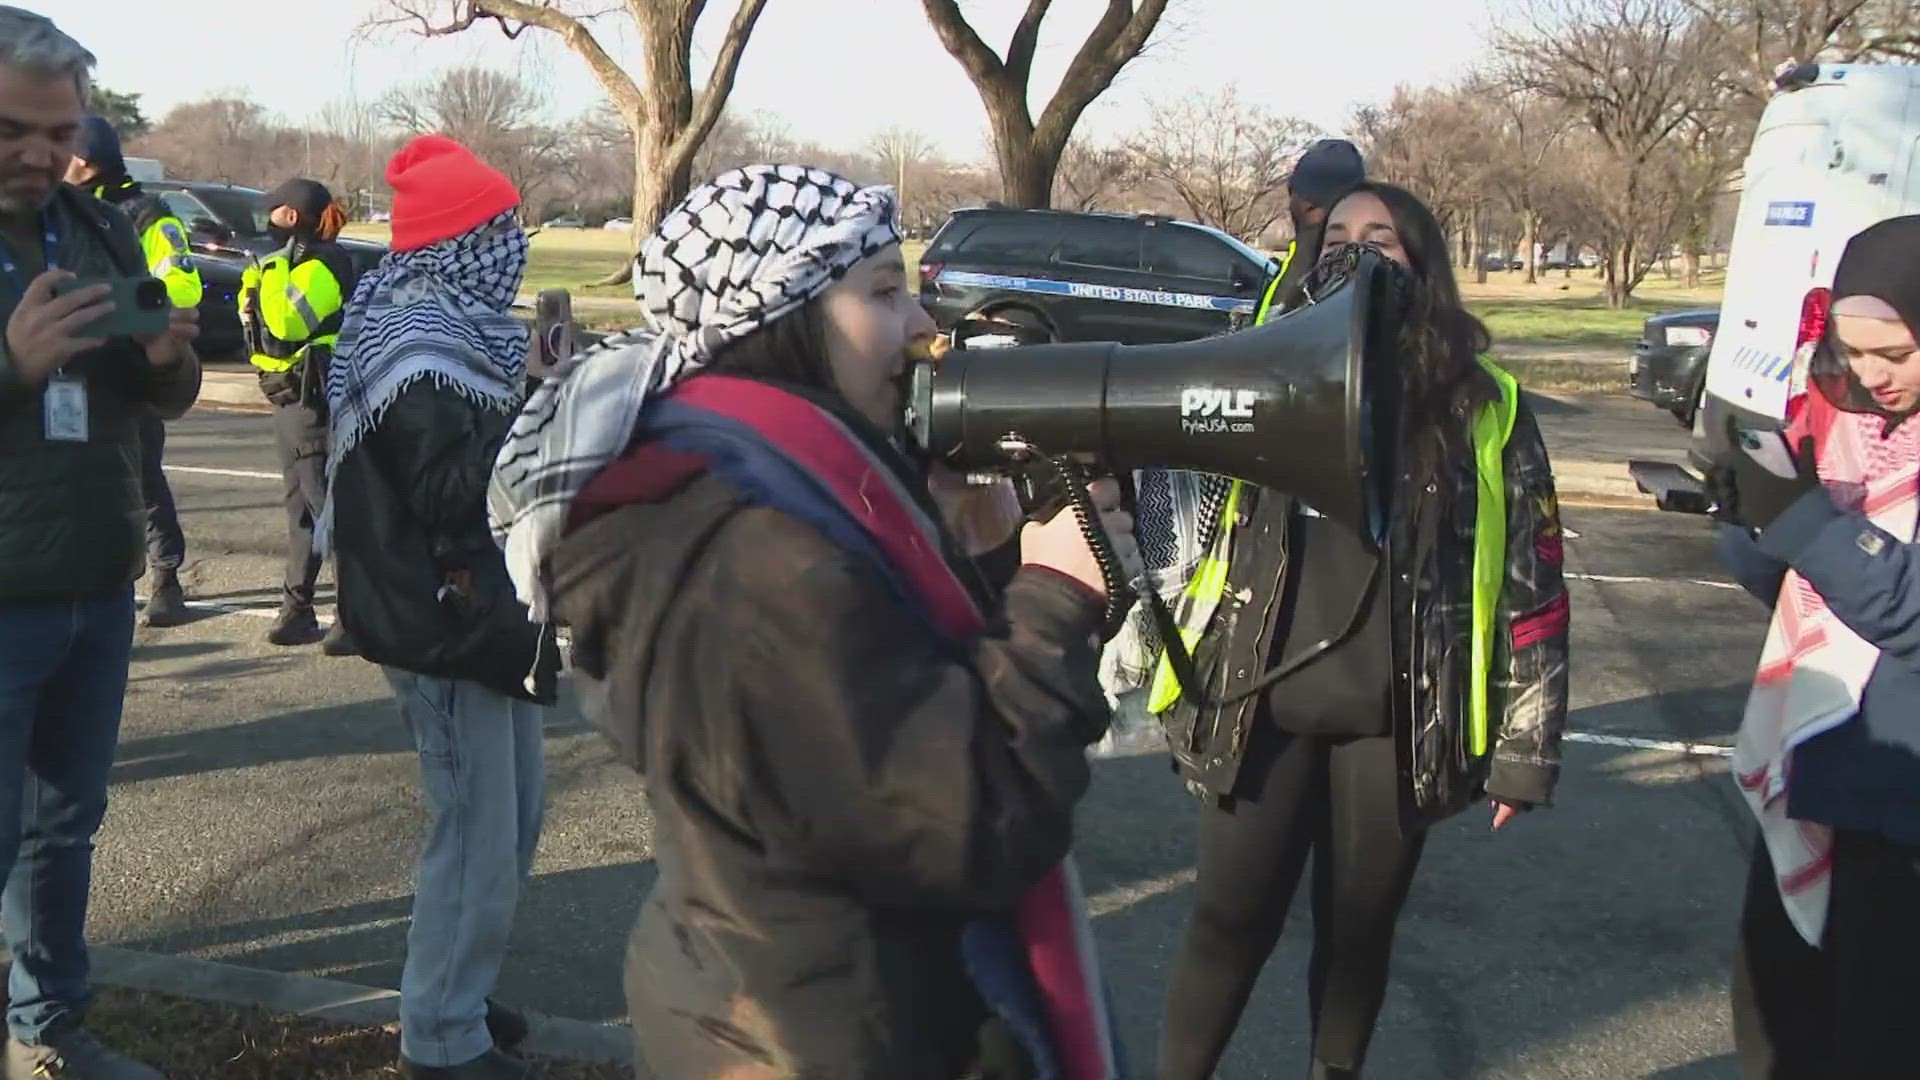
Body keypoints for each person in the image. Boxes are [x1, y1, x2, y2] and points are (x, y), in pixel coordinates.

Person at [487, 164, 1140, 1080]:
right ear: (777, 323)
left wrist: (987, 559)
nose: (922, 326)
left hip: (808, 1006)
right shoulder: (747, 559)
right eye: (881, 292)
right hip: (813, 1039)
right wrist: (1057, 596)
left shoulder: (784, 486)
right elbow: (964, 820)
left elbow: (910, 711)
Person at [1151, 181, 1570, 1080]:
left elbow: (1534, 582)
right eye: (1336, 233)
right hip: (1257, 705)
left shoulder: (1483, 404)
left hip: (1397, 721)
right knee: (1228, 924)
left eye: (1382, 236)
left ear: (1425, 261)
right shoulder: (1258, 368)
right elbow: (1176, 511)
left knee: (1356, 938)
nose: (1355, 248)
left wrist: (1524, 749)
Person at [316, 133, 555, 1080]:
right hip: (438, 617)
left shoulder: (460, 325)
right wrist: (533, 398)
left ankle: (459, 985)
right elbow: (447, 495)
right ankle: (441, 1038)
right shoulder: (421, 340)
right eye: (501, 226)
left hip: (486, 614)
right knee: (474, 833)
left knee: (516, 816)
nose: (517, 241)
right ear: (464, 238)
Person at [0, 7, 201, 1077]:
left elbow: (158, 390)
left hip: (95, 579)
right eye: (10, 131)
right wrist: (10, 363)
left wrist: (165, 355)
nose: (40, 153)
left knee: (63, 830)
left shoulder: (97, 227)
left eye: (57, 130)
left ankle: (46, 1031)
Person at [1711, 214, 1920, 1079]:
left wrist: (1806, 524)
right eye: (1853, 350)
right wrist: (1748, 512)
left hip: (1901, 798)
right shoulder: (1840, 420)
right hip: (1818, 760)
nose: (1873, 377)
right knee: (1775, 1014)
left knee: (1876, 1035)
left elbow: (1906, 608)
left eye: (1898, 354)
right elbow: (1791, 591)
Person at [65, 113, 200, 628]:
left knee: (140, 476)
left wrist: (119, 305)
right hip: (70, 366)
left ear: (81, 160)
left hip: (131, 364)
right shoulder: (59, 212)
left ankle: (166, 576)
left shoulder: (147, 215)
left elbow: (183, 288)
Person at [240, 175, 356, 653]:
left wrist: (264, 274)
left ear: (290, 216)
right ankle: (297, 610)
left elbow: (287, 323)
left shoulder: (321, 264)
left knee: (327, 509)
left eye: (272, 212)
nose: (265, 220)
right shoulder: (292, 263)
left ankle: (355, 616)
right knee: (300, 511)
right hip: (287, 399)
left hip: (314, 400)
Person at [1253, 139, 1366, 325]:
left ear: (1309, 205)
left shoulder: (1313, 263)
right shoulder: (1353, 266)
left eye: (1293, 193)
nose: (1289, 205)